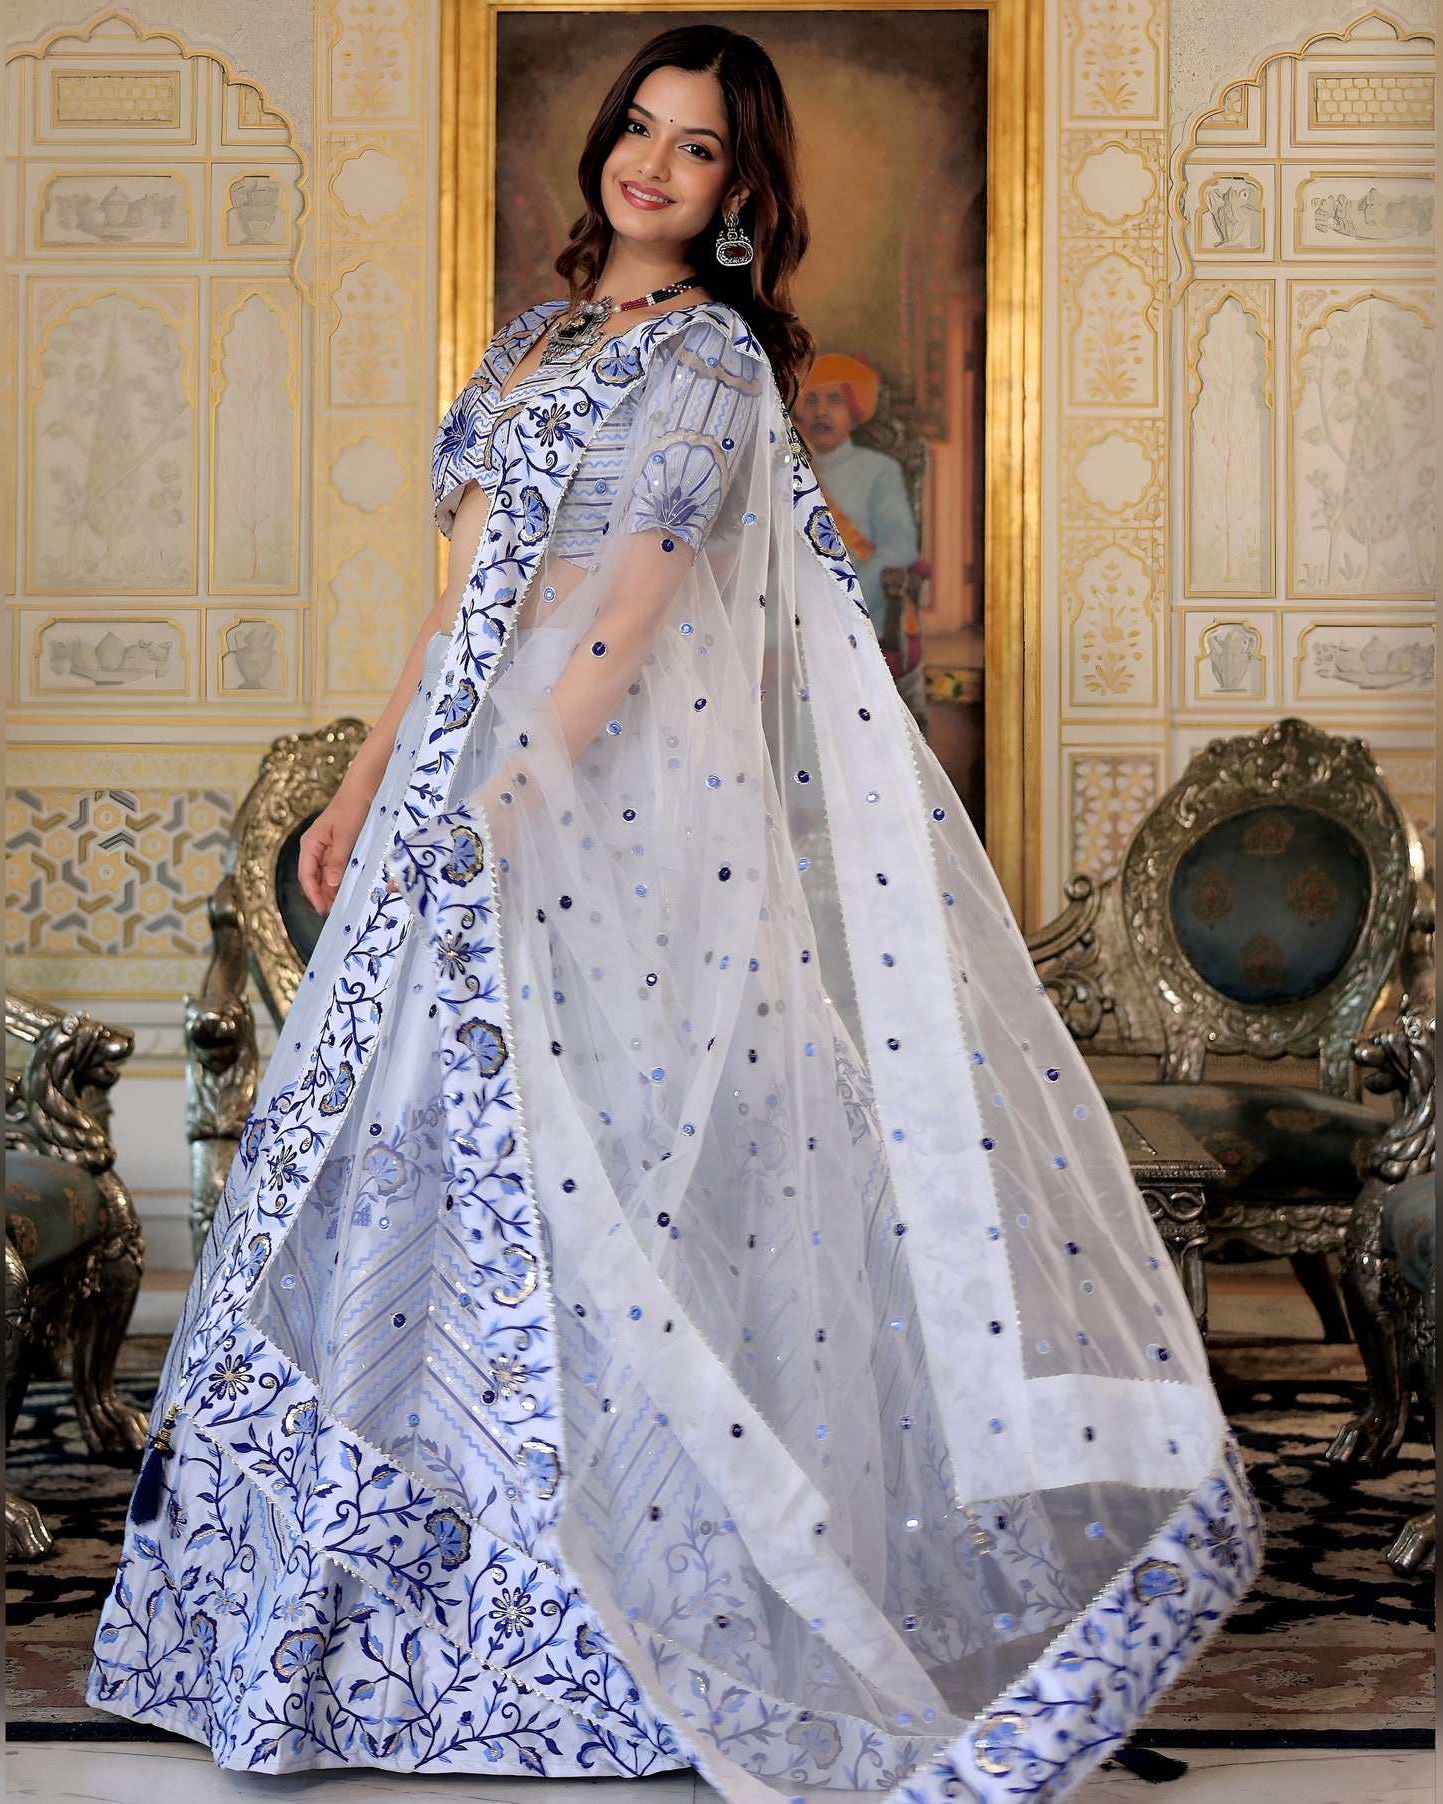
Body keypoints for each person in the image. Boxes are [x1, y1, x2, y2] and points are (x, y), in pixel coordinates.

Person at [90, 24, 1259, 1798]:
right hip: (445, 799)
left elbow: (623, 623)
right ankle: (337, 1628)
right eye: (635, 129)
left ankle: (598, 1629)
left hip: (580, 821)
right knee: (385, 1163)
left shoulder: (709, 361)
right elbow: (461, 600)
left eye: (693, 147)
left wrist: (509, 804)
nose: (648, 162)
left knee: (587, 1180)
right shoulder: (538, 343)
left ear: (737, 191)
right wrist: (362, 789)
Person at [797, 352, 919, 635]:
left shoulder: (879, 470)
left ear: (854, 412)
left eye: (834, 400)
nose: (821, 411)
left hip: (854, 608)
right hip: (789, 602)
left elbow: (901, 544)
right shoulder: (787, 469)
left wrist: (854, 589)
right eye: (811, 400)